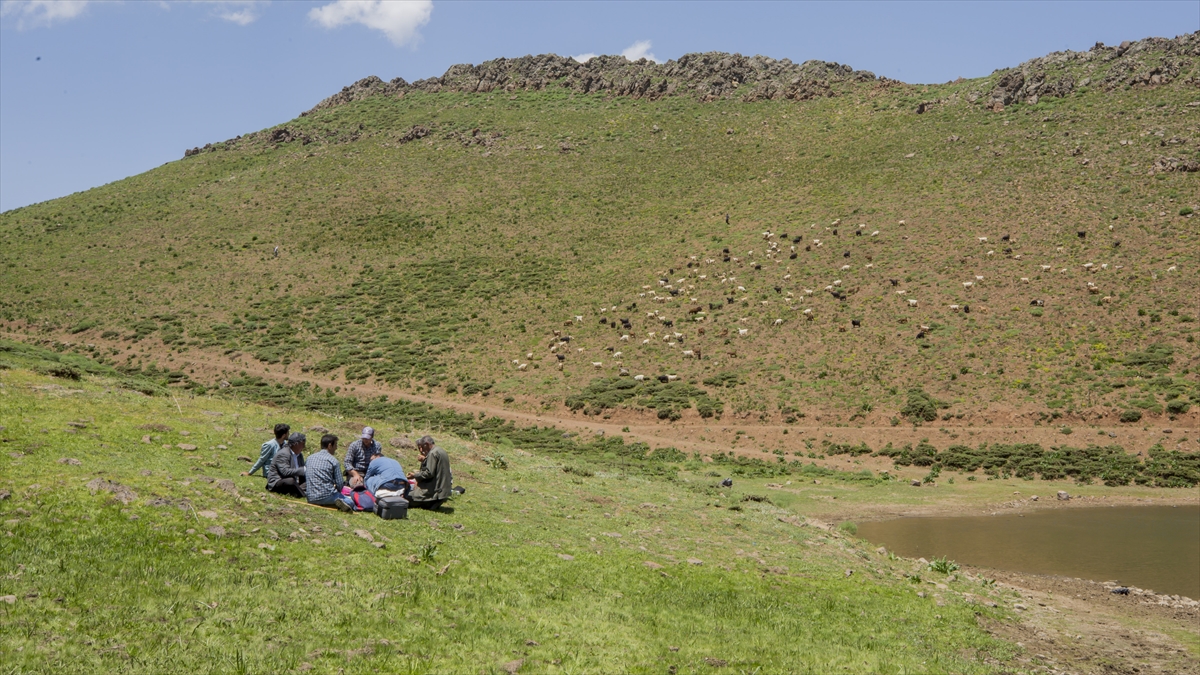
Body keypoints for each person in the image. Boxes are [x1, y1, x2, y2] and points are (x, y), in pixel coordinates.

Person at [305, 434, 353, 511]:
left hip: (310, 497)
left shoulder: (309, 458)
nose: (336, 448)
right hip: (327, 496)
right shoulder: (333, 461)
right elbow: (340, 484)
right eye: (336, 445)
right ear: (330, 446)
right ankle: (336, 503)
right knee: (351, 502)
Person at [407, 435, 452, 510]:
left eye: (422, 446)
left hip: (434, 491)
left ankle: (430, 502)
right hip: (443, 491)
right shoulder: (441, 451)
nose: (422, 450)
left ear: (427, 444)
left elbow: (429, 473)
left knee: (407, 496)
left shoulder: (432, 453)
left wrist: (415, 475)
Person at [267, 432, 307, 498]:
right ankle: (303, 494)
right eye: (302, 444)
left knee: (310, 480)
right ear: (296, 444)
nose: (304, 447)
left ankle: (298, 491)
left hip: (295, 482)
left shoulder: (299, 455)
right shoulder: (283, 454)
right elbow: (285, 472)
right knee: (290, 481)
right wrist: (303, 470)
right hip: (279, 481)